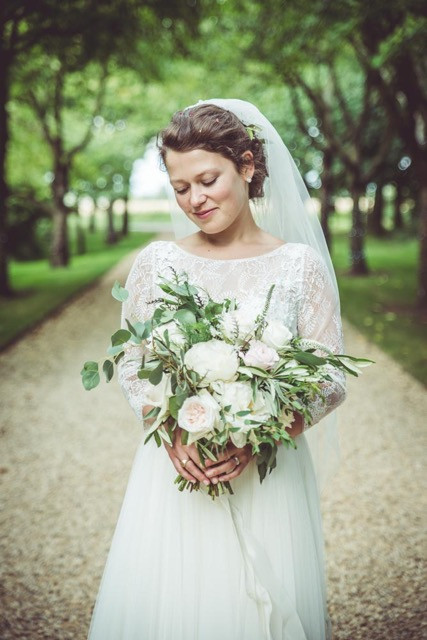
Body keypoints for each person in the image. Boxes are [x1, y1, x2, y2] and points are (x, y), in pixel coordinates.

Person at [88, 99, 346, 640]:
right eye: (181, 188)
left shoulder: (299, 267)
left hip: (266, 474)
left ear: (246, 166)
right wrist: (169, 427)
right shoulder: (158, 264)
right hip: (178, 468)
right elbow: (135, 363)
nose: (195, 200)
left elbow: (330, 379)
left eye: (207, 180)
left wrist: (262, 434)